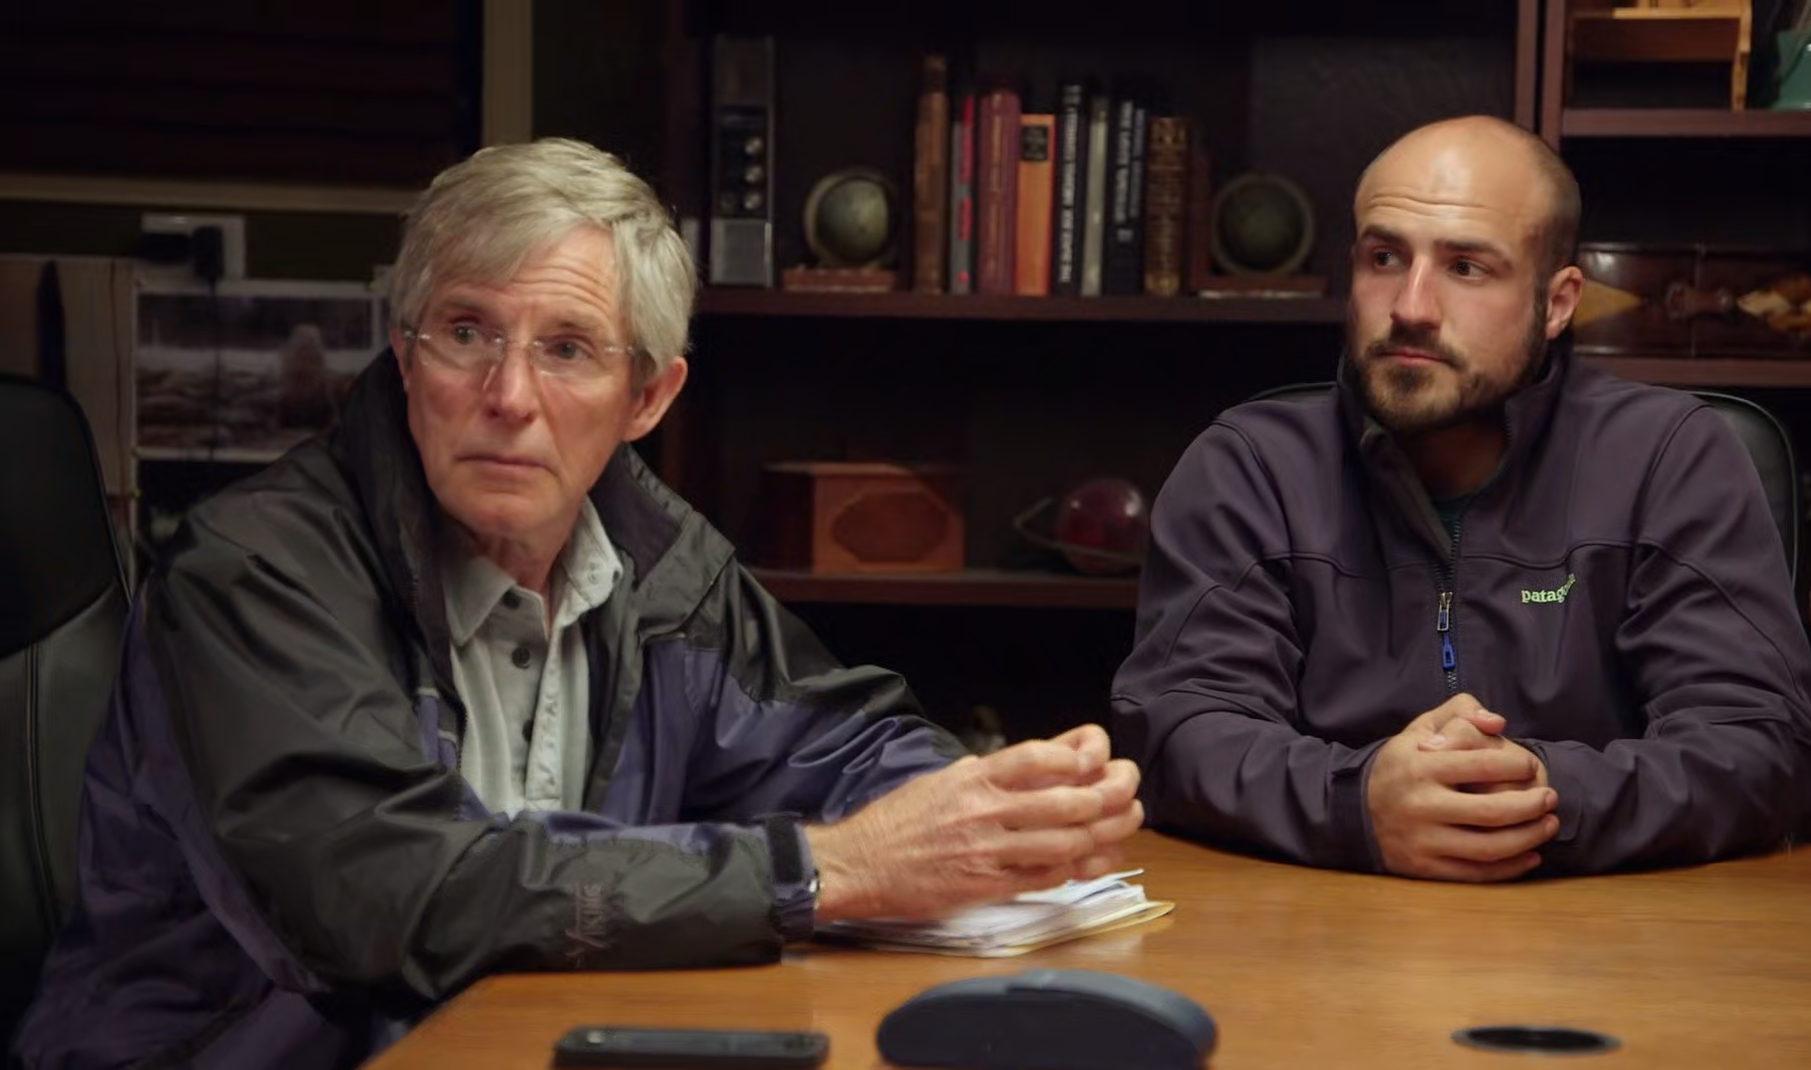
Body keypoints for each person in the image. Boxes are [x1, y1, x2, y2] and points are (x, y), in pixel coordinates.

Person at [15, 138, 1141, 1069]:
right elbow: (381, 898)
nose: (508, 395)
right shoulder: (254, 575)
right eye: (466, 333)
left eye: (566, 349)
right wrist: (819, 871)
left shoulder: (665, 572)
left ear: (647, 394)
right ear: (404, 352)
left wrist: (991, 812)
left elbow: (842, 751)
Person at [1110, 115, 1811, 883]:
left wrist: (1529, 797)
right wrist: (1356, 803)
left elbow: (1759, 739)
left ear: (1558, 303)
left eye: (1466, 267)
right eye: (1385, 258)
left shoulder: (1667, 457)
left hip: (1600, 928)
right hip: (1319, 922)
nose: (1411, 306)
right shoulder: (1251, 466)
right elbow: (1176, 728)